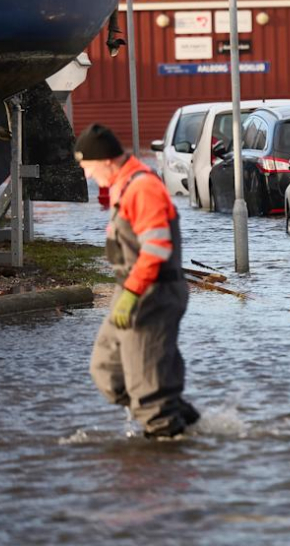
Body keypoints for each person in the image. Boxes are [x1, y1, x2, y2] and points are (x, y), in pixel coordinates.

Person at [74, 124, 199, 439]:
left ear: (105, 161)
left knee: (147, 389)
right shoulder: (123, 184)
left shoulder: (142, 187)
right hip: (130, 289)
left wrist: (131, 293)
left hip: (152, 292)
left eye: (87, 167)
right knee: (107, 371)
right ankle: (175, 417)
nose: (87, 176)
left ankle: (163, 431)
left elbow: (156, 248)